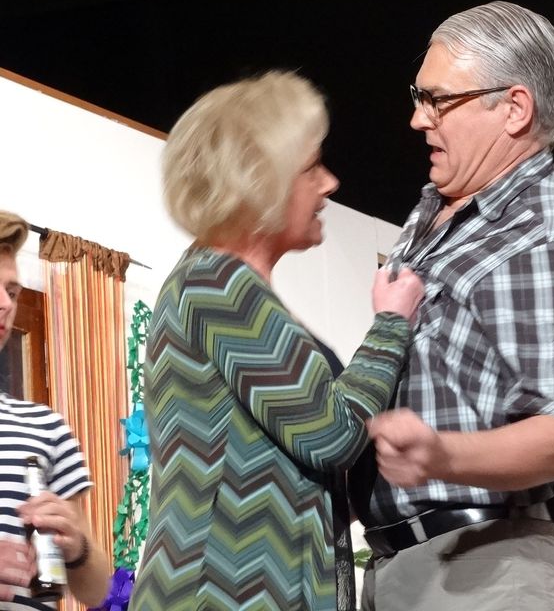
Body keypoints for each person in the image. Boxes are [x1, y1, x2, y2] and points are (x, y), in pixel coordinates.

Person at [353, 1, 554, 611]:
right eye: (418, 96)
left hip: (485, 571)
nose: (418, 118)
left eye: (438, 100)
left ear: (514, 109)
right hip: (400, 568)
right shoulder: (437, 210)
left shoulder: (552, 236)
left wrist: (440, 454)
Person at [130, 71, 424, 611]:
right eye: (311, 168)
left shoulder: (224, 286)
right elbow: (331, 433)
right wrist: (390, 325)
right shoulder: (217, 284)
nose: (329, 183)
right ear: (260, 181)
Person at [0, 210, 112, 609]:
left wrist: (78, 549)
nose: (5, 304)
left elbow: (97, 590)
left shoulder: (46, 427)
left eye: (12, 292)